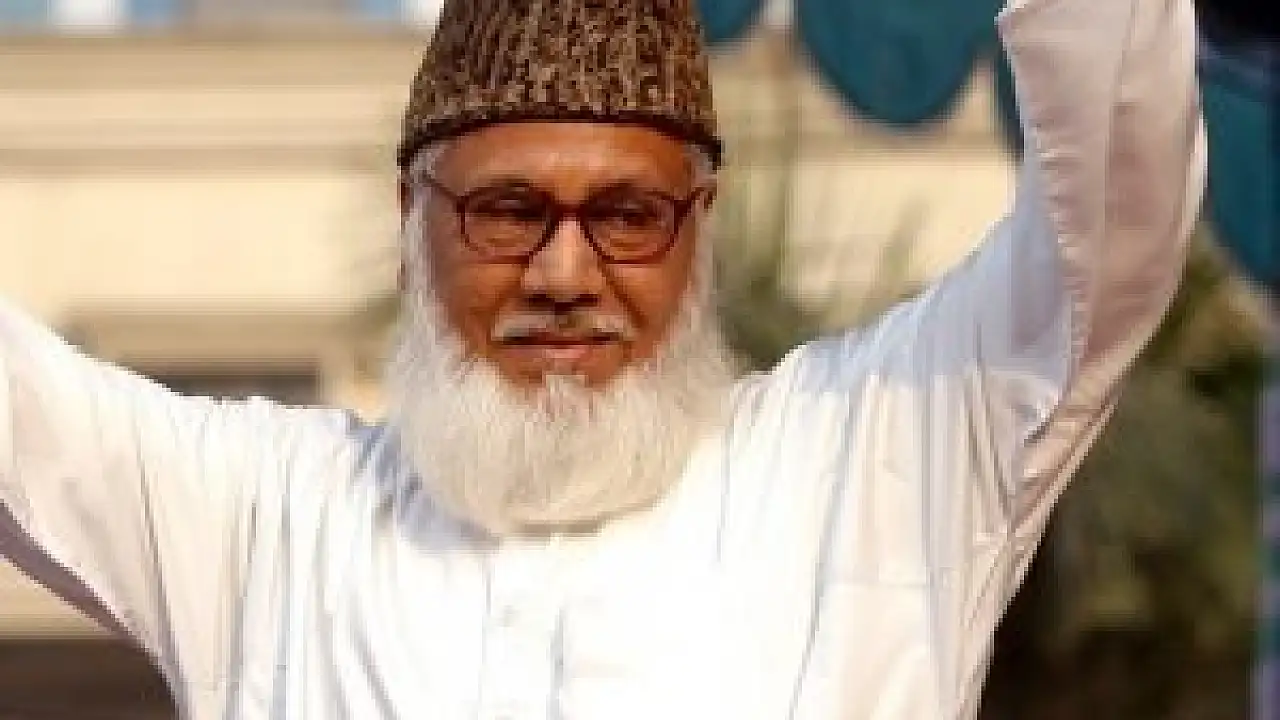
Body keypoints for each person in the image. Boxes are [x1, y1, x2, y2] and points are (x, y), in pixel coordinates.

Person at [0, 0, 1205, 717]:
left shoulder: (877, 458)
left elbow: (1111, 210)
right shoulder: (266, 519)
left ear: (700, 228)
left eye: (628, 216)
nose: (564, 273)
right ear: (409, 221)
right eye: (507, 212)